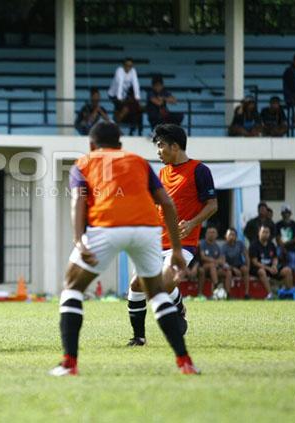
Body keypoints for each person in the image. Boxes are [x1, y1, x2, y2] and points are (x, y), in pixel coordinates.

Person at [51, 122, 199, 377]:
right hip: (148, 229)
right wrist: (176, 249)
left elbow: (78, 200)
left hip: (105, 226)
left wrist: (78, 240)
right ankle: (185, 362)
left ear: (91, 144)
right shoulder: (139, 161)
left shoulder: (85, 162)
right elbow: (166, 202)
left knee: (71, 288)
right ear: (120, 145)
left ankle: (69, 363)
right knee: (156, 293)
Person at [126, 124, 217, 346]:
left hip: (183, 244)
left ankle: (177, 307)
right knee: (137, 286)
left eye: (160, 146)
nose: (158, 151)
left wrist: (194, 222)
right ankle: (139, 338)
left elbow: (213, 204)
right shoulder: (162, 173)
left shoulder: (199, 170)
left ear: (174, 146)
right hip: (156, 242)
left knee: (161, 285)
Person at [249, 225, 295, 299]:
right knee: (262, 271)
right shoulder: (253, 245)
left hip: (271, 267)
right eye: (263, 232)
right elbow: (255, 262)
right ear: (259, 233)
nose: (265, 234)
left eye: (267, 232)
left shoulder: (271, 245)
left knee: (287, 270)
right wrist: (269, 268)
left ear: (269, 234)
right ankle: (270, 294)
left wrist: (274, 266)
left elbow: (275, 258)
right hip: (258, 268)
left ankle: (288, 293)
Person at [197, 227, 232, 297]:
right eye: (209, 232)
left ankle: (228, 294)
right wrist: (215, 261)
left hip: (214, 269)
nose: (211, 234)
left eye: (213, 232)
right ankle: (216, 286)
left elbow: (222, 260)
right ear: (206, 234)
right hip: (203, 267)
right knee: (212, 265)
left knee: (228, 272)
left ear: (217, 235)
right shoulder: (202, 243)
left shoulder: (217, 246)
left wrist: (218, 262)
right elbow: (203, 257)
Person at [275, 204, 295, 292]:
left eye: (287, 212)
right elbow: (277, 237)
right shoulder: (278, 224)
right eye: (284, 213)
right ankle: (283, 286)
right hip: (280, 248)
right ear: (281, 214)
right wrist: (283, 248)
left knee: (294, 267)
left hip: (292, 249)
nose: (286, 214)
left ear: (290, 213)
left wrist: (285, 244)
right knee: (278, 265)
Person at [221, 228, 250, 298]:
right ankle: (228, 294)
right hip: (229, 267)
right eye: (230, 235)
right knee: (229, 273)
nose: (231, 236)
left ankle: (246, 293)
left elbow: (246, 256)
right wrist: (233, 269)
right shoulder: (223, 247)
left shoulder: (240, 244)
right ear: (226, 236)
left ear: (236, 236)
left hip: (240, 265)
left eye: (233, 235)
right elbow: (223, 262)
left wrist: (248, 267)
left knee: (245, 269)